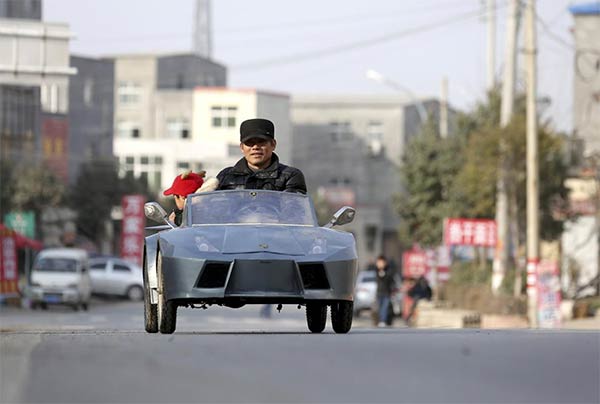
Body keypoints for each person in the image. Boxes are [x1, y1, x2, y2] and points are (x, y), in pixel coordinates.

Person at [216, 118, 307, 194]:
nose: (255, 147)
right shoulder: (226, 176)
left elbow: (293, 210)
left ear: (273, 144)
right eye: (249, 143)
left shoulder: (290, 176)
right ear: (242, 147)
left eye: (261, 142)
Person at [375, 255, 395, 328]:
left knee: (385, 307)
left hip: (386, 292)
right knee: (380, 307)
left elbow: (390, 280)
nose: (380, 264)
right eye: (378, 262)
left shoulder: (389, 270)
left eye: (381, 262)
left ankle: (383, 321)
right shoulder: (376, 270)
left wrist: (384, 273)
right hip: (379, 292)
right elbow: (378, 279)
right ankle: (380, 320)